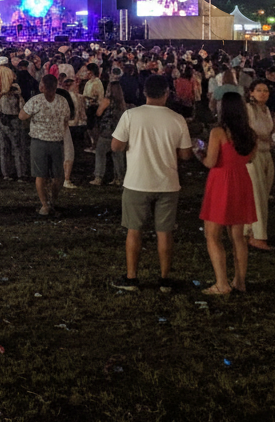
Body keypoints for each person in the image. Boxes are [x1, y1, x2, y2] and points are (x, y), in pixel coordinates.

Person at [110, 75, 194, 293]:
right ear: (167, 93)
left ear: (144, 93)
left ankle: (132, 278)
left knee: (134, 230)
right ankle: (165, 279)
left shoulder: (131, 115)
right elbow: (186, 154)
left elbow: (116, 146)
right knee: (165, 232)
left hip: (137, 181)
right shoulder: (177, 118)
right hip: (167, 183)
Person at [197, 92, 258, 295]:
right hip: (241, 181)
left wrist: (200, 153)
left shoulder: (218, 133)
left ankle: (221, 283)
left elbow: (211, 162)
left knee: (213, 235)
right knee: (238, 237)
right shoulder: (251, 134)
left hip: (221, 183)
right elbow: (249, 158)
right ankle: (240, 281)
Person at [20, 74, 72, 216]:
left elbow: (22, 115)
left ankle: (45, 205)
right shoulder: (62, 101)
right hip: (57, 142)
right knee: (58, 176)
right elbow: (67, 120)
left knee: (40, 175)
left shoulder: (35, 101)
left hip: (39, 142)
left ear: (42, 86)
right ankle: (52, 201)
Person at [244, 80, 275, 251]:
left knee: (263, 194)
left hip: (266, 153)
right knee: (257, 195)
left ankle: (249, 230)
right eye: (259, 90)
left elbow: (269, 131)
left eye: (265, 90)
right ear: (251, 92)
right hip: (254, 155)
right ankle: (258, 236)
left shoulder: (266, 111)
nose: (263, 93)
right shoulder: (249, 109)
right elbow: (250, 132)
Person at [90, 81, 127, 186]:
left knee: (100, 153)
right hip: (119, 132)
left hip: (107, 131)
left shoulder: (107, 101)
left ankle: (98, 177)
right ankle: (119, 178)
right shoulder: (122, 103)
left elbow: (99, 112)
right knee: (117, 155)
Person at [0, 83, 29, 180]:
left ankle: (6, 173)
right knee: (17, 148)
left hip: (2, 121)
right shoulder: (16, 97)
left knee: (4, 149)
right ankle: (20, 173)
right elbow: (23, 109)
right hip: (13, 122)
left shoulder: (1, 97)